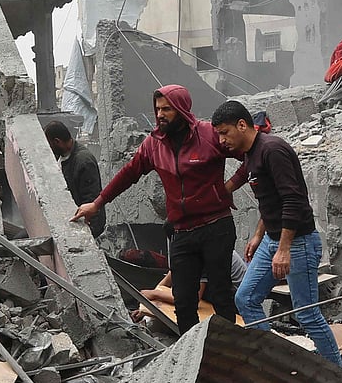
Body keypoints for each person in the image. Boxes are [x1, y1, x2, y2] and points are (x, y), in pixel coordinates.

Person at [71, 84, 246, 334]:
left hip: (216, 226)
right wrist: (97, 204)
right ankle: (191, 356)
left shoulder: (208, 135)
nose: (160, 114)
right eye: (157, 109)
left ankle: (229, 350)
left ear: (182, 109)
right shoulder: (153, 145)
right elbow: (128, 174)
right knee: (184, 300)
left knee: (220, 294)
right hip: (182, 232)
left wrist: (229, 186)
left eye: (167, 109)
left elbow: (248, 154)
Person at [211, 100, 342, 367]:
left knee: (306, 314)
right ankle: (276, 365)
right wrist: (259, 234)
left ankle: (340, 375)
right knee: (246, 298)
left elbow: (293, 200)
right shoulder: (249, 155)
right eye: (218, 135)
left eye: (225, 133)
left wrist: (283, 250)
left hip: (298, 243)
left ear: (242, 125)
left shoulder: (273, 150)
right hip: (272, 240)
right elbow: (269, 201)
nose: (222, 140)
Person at [132, 249, 248, 322]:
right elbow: (166, 283)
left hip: (235, 300)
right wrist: (146, 309)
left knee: (185, 300)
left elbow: (193, 299)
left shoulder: (205, 252)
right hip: (214, 292)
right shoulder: (184, 251)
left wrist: (155, 294)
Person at [43, 120, 105, 238]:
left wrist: (87, 232)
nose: (49, 149)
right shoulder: (61, 155)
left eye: (49, 145)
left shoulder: (83, 161)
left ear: (57, 142)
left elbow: (91, 201)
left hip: (85, 223)